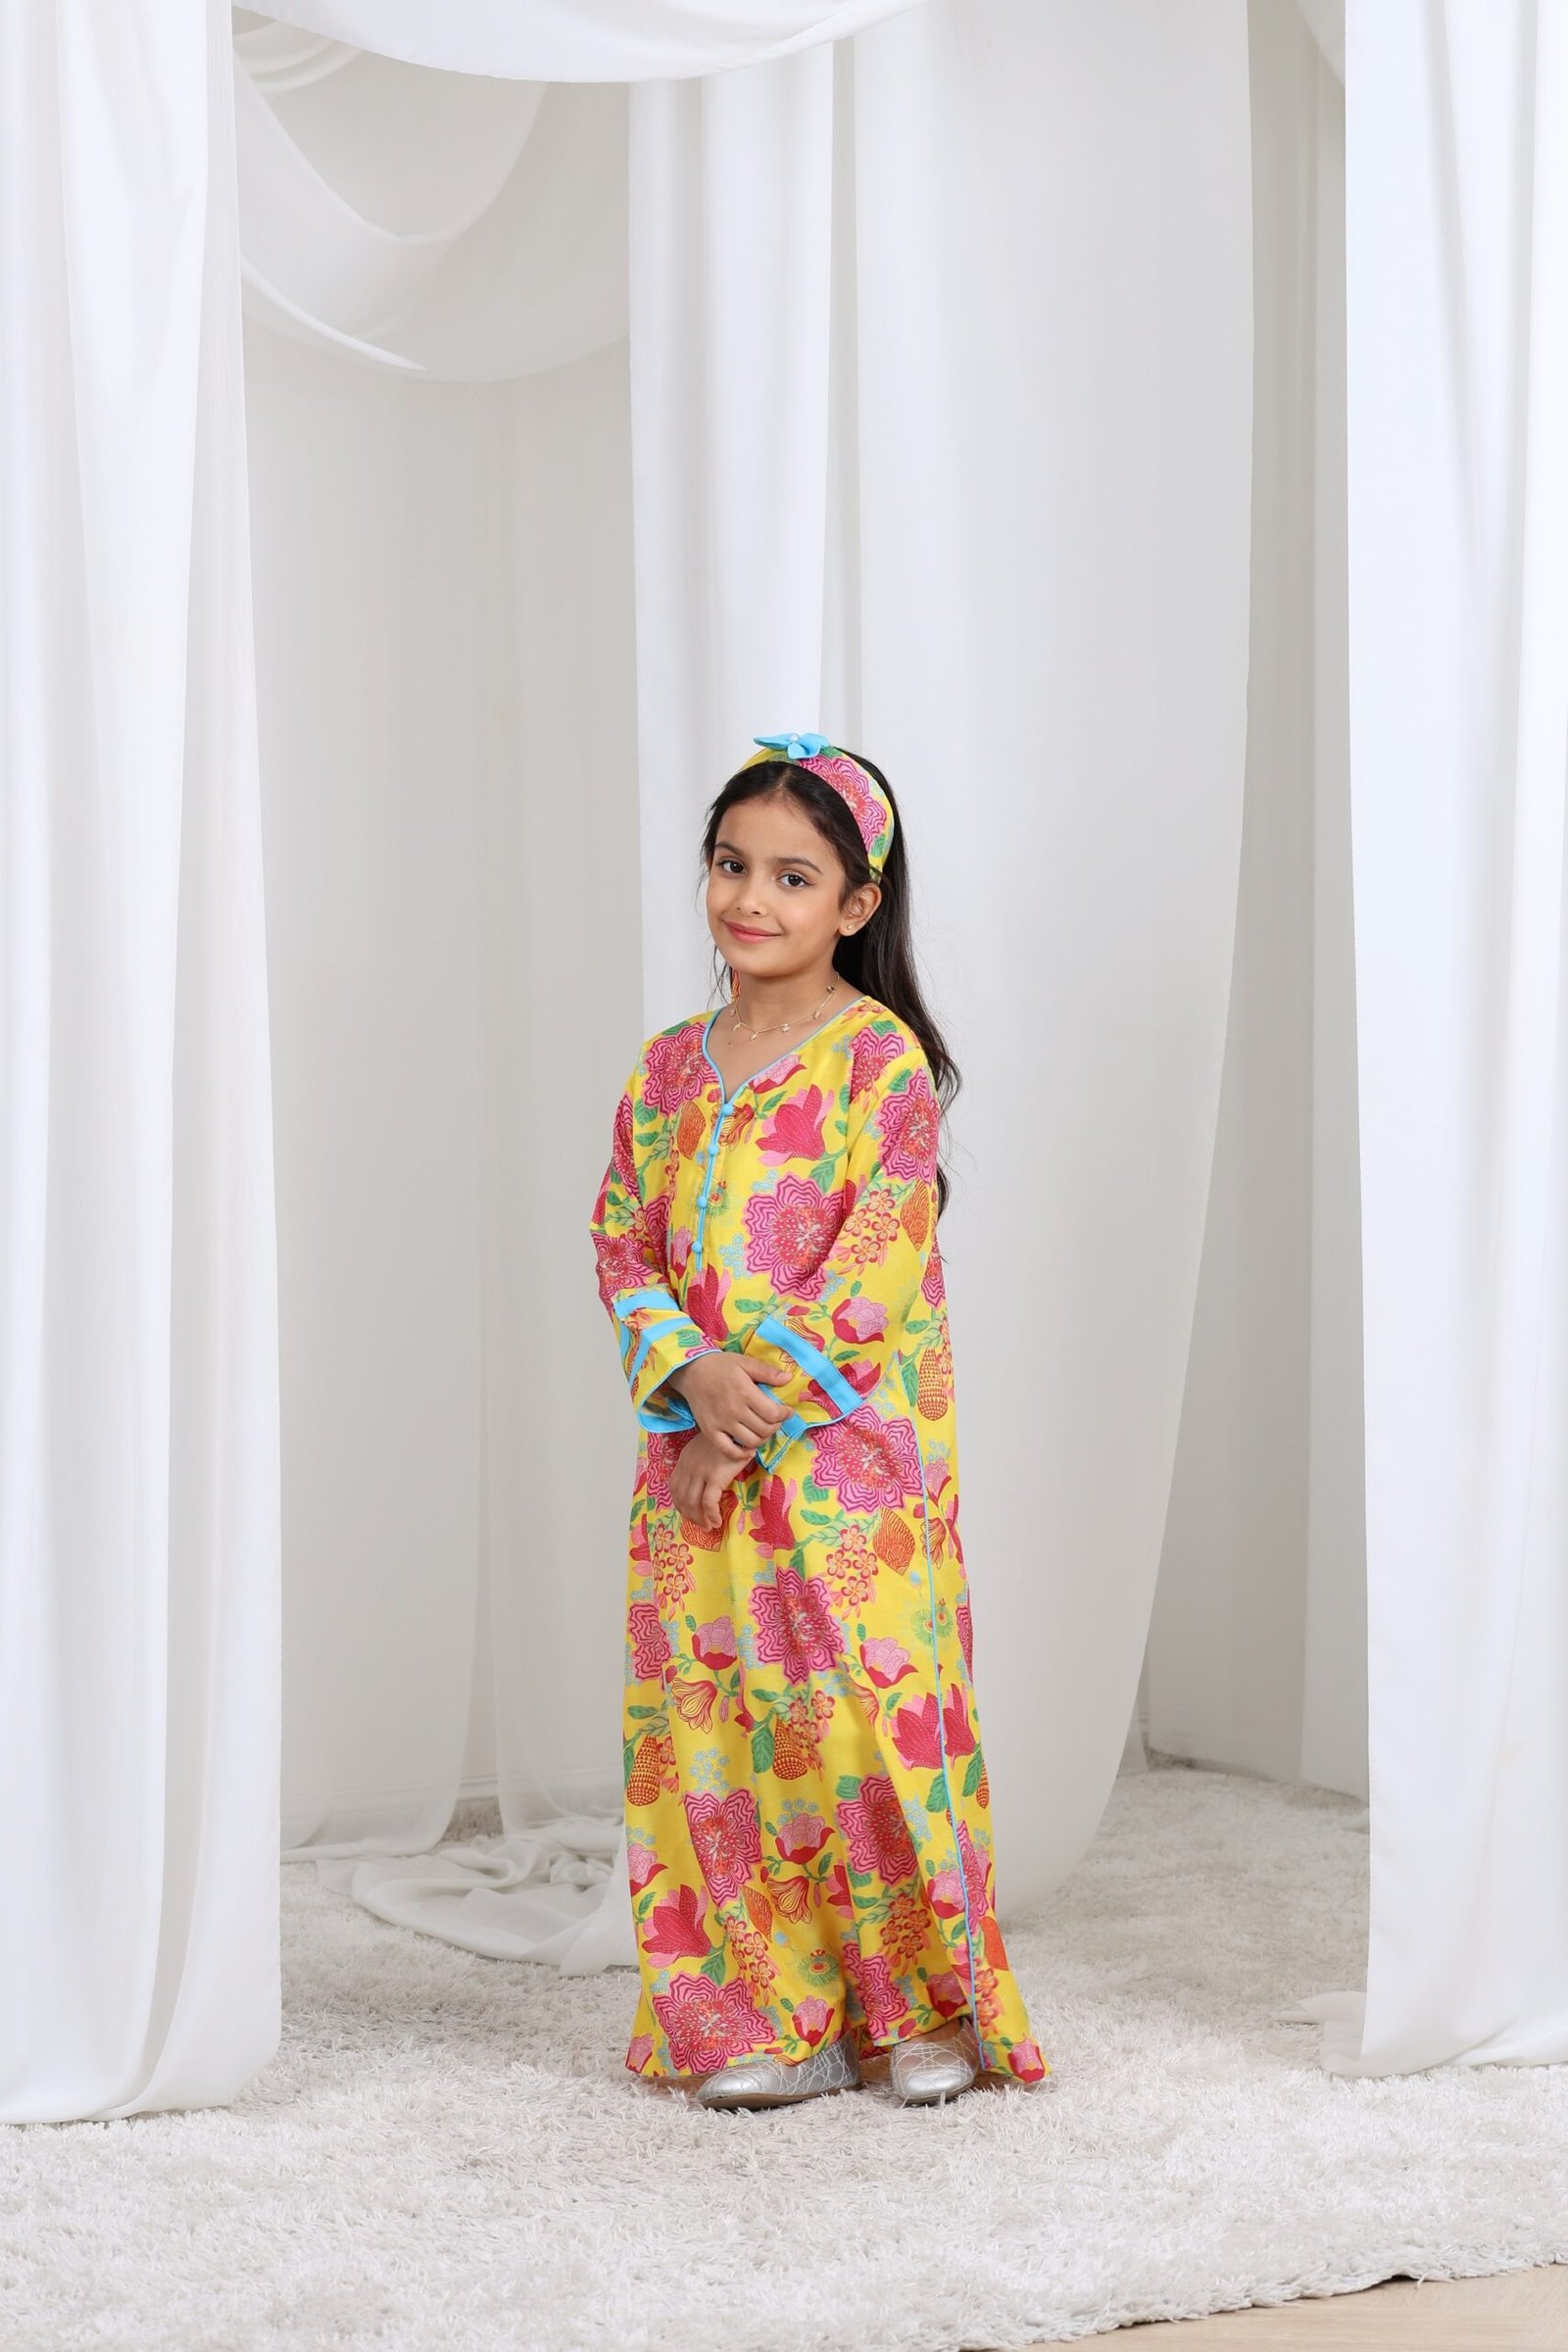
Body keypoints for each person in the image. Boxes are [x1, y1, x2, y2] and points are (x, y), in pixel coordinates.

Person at [589, 731, 1049, 2110]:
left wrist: (739, 1414)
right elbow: (622, 1239)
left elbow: (874, 1269)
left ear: (856, 904)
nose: (752, 899)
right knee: (721, 1730)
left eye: (793, 877)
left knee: (860, 1719)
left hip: (849, 1471)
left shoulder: (878, 1065)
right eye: (732, 865)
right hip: (695, 1468)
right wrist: (689, 1380)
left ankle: (917, 2006)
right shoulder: (668, 1071)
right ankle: (764, 2015)